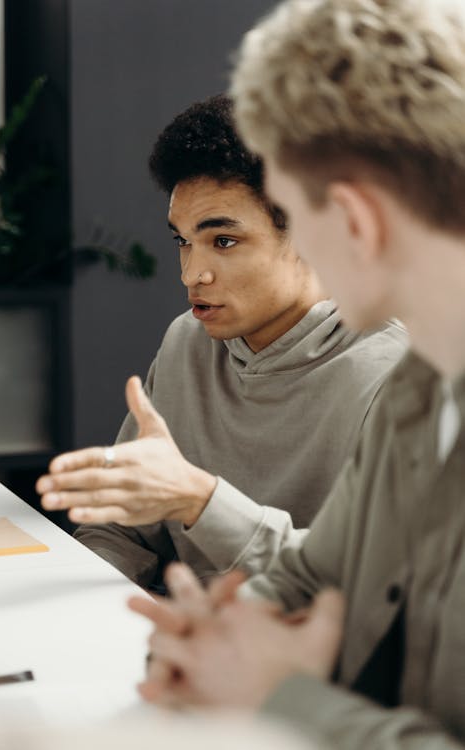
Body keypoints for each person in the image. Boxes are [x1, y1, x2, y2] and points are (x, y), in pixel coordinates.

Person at [127, 0, 465, 747]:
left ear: (352, 219)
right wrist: (207, 637)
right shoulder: (425, 391)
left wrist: (281, 697)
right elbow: (311, 574)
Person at [37, 95, 405, 590]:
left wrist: (201, 501)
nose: (192, 273)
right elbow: (121, 530)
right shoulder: (187, 341)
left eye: (223, 241)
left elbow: (366, 583)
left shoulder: (401, 377)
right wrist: (83, 611)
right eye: (182, 241)